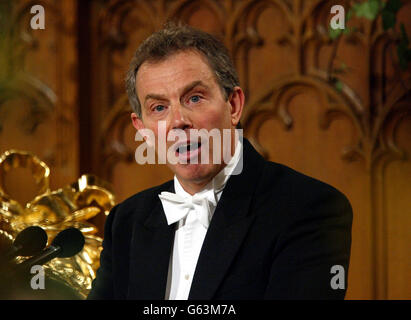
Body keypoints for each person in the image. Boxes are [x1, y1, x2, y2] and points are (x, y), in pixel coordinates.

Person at [88, 24, 352, 300]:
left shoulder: (310, 207)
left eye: (194, 98)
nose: (178, 121)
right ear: (143, 129)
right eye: (159, 108)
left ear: (234, 105)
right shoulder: (127, 221)